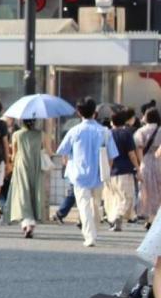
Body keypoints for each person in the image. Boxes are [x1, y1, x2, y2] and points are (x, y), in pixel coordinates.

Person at [57, 97, 119, 248]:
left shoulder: (74, 131)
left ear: (79, 113)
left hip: (79, 174)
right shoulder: (105, 132)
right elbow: (112, 156)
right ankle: (93, 230)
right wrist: (107, 172)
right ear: (95, 113)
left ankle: (90, 235)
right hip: (99, 174)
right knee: (95, 204)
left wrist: (68, 163)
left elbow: (62, 151)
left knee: (84, 205)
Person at [10, 119, 48, 238]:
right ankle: (31, 222)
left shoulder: (16, 134)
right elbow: (49, 151)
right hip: (36, 165)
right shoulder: (41, 134)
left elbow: (13, 155)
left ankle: (27, 222)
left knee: (22, 193)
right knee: (35, 191)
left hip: (21, 165)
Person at [104, 107, 139, 231]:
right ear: (124, 121)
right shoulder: (127, 134)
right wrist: (138, 168)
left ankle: (113, 220)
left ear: (112, 122)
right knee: (127, 197)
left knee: (112, 198)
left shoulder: (107, 134)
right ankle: (118, 217)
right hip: (125, 171)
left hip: (110, 171)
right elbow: (132, 154)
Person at [135, 108, 161, 229]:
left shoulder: (141, 131)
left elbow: (139, 148)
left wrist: (141, 163)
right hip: (158, 161)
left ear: (146, 117)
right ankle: (156, 216)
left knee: (146, 190)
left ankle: (149, 216)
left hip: (145, 161)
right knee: (158, 189)